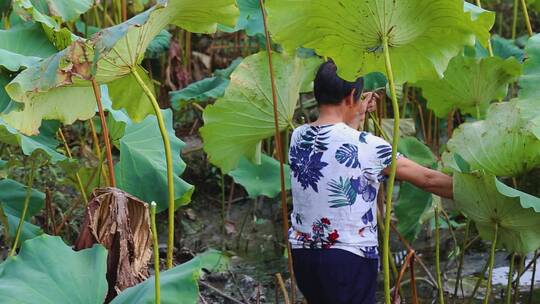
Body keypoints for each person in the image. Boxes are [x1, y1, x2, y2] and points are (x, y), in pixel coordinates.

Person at [288, 60, 453, 304]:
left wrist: (356, 112)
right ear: (352, 95)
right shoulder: (371, 147)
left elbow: (338, 143)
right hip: (348, 258)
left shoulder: (298, 136)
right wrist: (478, 191)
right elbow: (427, 179)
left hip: (304, 256)